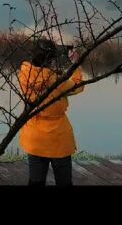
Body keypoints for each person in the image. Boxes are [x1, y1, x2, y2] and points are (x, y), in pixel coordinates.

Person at [18, 38, 84, 186]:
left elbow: (41, 74)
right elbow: (78, 86)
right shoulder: (57, 81)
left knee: (35, 181)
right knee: (63, 181)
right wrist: (76, 65)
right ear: (51, 60)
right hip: (58, 138)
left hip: (34, 136)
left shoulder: (25, 75)